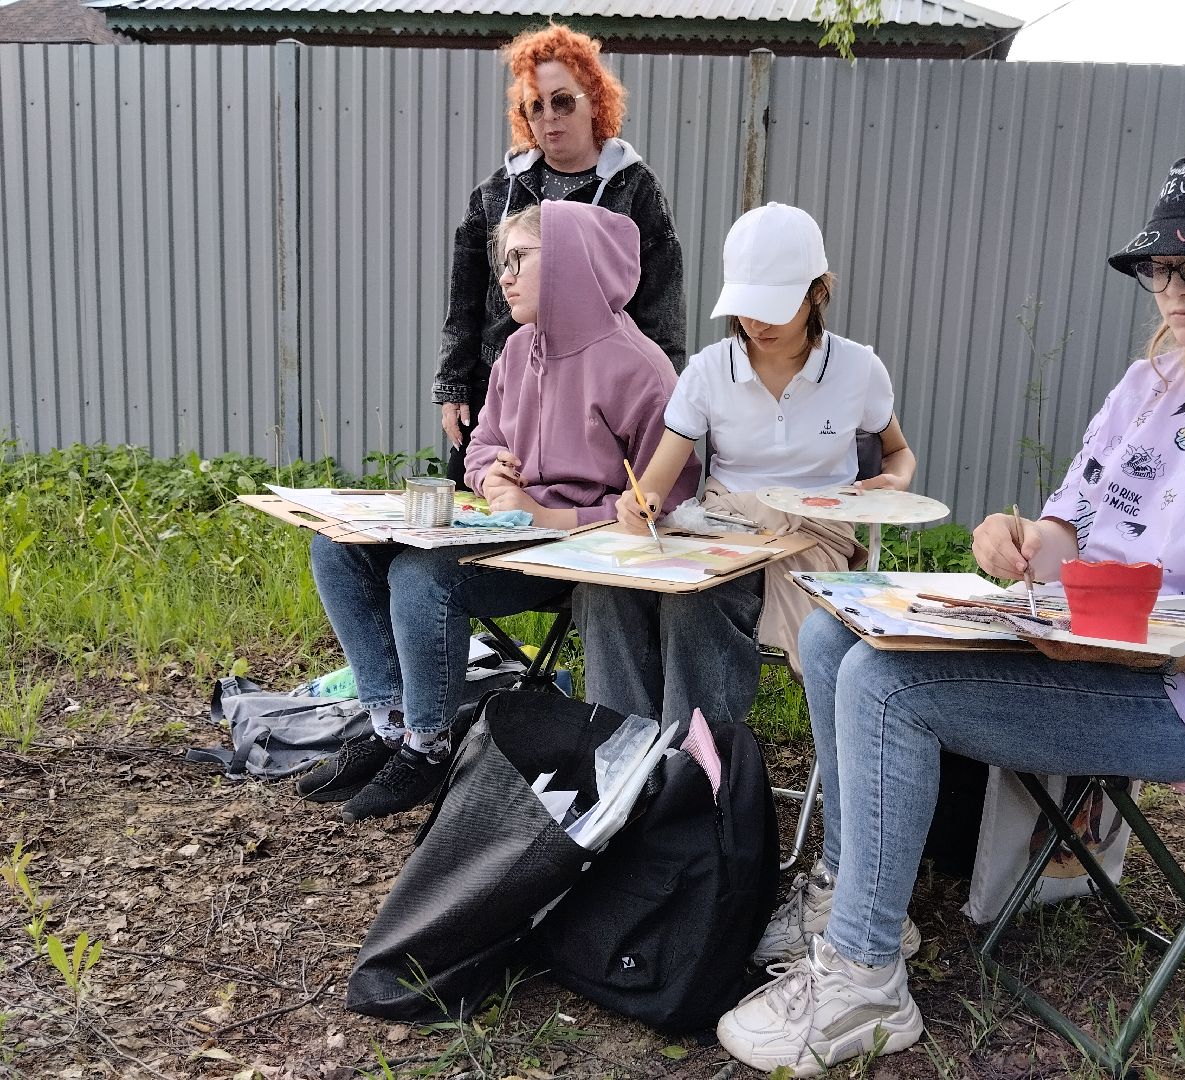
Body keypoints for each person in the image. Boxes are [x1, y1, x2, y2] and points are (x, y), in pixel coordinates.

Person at [715, 143, 1185, 1076]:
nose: (1172, 288)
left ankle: (864, 982)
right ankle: (853, 895)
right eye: (1160, 266)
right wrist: (1024, 547)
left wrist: (1123, 645)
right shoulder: (1152, 381)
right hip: (1082, 647)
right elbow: (1072, 530)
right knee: (837, 630)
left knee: (884, 686)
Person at [298, 200, 698, 823]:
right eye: (501, 261)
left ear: (571, 262)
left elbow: (661, 507)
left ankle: (429, 749)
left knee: (421, 578)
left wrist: (546, 517)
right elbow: (481, 443)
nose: (504, 276)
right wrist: (491, 475)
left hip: (575, 557)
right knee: (337, 546)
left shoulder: (640, 369)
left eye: (519, 259)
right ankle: (390, 721)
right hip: (506, 532)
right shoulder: (517, 351)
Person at [572, 202, 915, 733]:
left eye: (774, 306)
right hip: (723, 530)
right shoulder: (710, 370)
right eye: (747, 306)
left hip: (811, 536)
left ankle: (698, 766)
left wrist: (893, 482)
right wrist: (642, 504)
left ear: (818, 292)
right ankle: (628, 762)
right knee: (616, 591)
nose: (756, 322)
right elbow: (657, 482)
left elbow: (897, 451)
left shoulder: (857, 368)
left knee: (696, 604)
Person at [433, 23, 686, 486]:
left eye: (563, 100)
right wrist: (452, 385)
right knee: (470, 521)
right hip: (499, 385)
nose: (549, 116)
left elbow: (661, 306)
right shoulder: (498, 192)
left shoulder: (635, 189)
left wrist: (671, 413)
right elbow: (464, 299)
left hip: (596, 400)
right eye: (535, 106)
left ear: (595, 99)